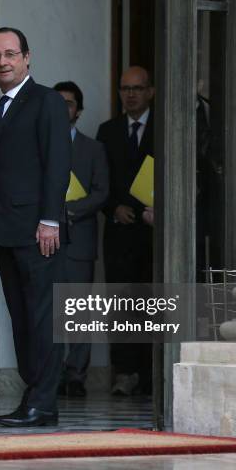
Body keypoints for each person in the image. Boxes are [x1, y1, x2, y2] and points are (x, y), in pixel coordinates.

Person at [0, 28, 71, 426]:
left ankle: (43, 402)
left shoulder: (46, 101)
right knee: (21, 320)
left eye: (10, 54)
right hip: (6, 234)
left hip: (39, 232)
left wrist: (50, 219)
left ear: (27, 58)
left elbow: (57, 163)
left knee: (41, 319)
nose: (3, 62)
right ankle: (33, 399)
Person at [96, 66, 154, 396]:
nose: (130, 94)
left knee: (152, 301)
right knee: (120, 303)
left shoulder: (165, 128)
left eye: (137, 88)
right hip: (120, 231)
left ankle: (149, 372)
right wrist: (113, 207)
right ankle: (125, 371)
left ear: (151, 92)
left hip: (154, 232)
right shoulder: (108, 131)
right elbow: (100, 180)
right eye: (124, 88)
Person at [53, 81, 109, 398]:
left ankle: (76, 375)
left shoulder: (93, 148)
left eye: (70, 103)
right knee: (49, 310)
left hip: (80, 239)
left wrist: (68, 210)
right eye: (58, 103)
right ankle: (51, 373)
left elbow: (102, 192)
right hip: (46, 239)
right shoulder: (39, 145)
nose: (64, 109)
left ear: (79, 110)